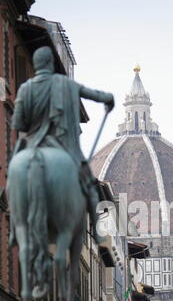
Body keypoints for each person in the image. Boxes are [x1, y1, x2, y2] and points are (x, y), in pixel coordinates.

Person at [11, 46, 114, 245]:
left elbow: (16, 124)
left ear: (35, 64)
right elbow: (94, 95)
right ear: (50, 64)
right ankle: (98, 230)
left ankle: (15, 227)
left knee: (12, 173)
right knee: (90, 185)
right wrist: (107, 99)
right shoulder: (65, 83)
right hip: (60, 144)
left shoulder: (26, 88)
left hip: (32, 143)